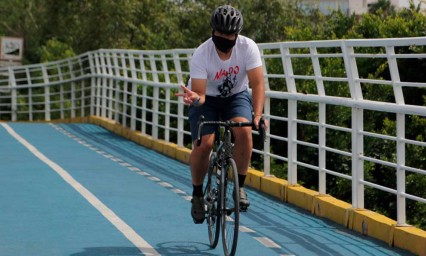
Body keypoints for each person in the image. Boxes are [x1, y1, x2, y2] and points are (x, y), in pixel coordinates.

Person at [176, 4, 266, 224]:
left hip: (236, 96)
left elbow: (257, 83)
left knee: (244, 131)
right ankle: (197, 194)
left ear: (237, 35)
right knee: (205, 144)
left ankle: (240, 188)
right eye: (220, 33)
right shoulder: (202, 53)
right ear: (213, 32)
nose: (225, 37)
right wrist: (195, 99)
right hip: (206, 99)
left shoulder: (248, 47)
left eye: (229, 34)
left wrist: (257, 116)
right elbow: (200, 93)